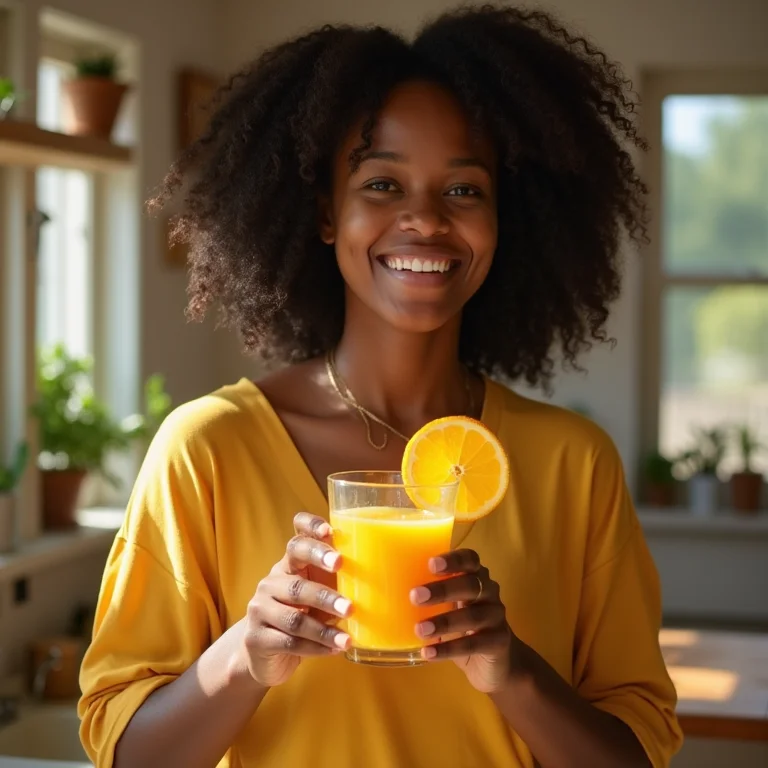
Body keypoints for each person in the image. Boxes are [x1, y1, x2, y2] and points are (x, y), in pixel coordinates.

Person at [78, 5, 683, 767]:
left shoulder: (573, 464)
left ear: (504, 217)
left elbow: (639, 753)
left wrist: (513, 673)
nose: (424, 220)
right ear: (327, 212)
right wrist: (245, 659)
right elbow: (126, 754)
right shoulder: (208, 449)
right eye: (383, 184)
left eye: (464, 190)